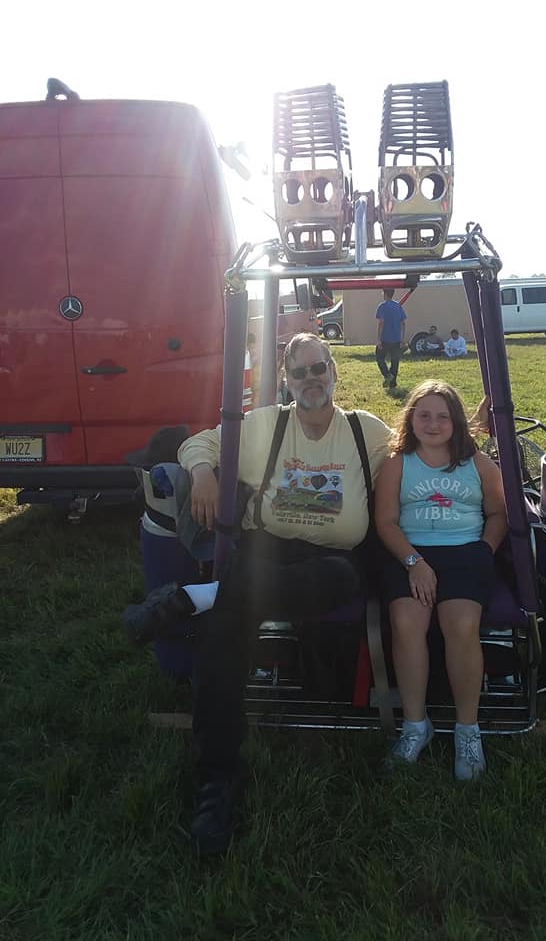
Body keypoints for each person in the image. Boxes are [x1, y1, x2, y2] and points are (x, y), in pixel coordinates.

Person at [123, 333, 391, 855]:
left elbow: (420, 447)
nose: (311, 379)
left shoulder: (366, 431)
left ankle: (195, 596)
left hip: (336, 560)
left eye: (319, 368)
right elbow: (198, 444)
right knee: (221, 636)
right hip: (267, 552)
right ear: (287, 380)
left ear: (334, 371)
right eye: (300, 372)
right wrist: (203, 474)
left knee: (322, 581)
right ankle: (216, 781)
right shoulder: (268, 425)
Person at [374, 380, 507, 781]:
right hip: (411, 552)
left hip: (465, 552)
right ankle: (416, 726)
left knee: (461, 624)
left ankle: (468, 729)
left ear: (456, 422)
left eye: (442, 417)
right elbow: (386, 522)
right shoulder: (398, 463)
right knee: (406, 622)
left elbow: (499, 513)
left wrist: (484, 550)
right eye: (424, 415)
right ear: (411, 419)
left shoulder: (475, 462)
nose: (432, 424)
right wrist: (413, 562)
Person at [375, 288, 407, 388]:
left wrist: (378, 339)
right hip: (396, 339)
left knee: (380, 358)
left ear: (384, 294)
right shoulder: (398, 306)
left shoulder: (382, 306)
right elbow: (403, 323)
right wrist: (402, 339)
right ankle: (393, 383)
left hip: (385, 338)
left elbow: (381, 323)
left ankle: (387, 375)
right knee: (395, 361)